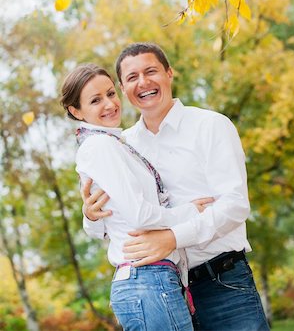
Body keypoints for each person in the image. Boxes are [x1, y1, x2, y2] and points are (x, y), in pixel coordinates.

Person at [82, 43, 270, 331]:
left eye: (151, 71)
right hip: (162, 288)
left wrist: (173, 237)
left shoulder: (211, 126)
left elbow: (234, 205)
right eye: (132, 77)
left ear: (169, 73)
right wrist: (91, 216)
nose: (143, 82)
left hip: (223, 283)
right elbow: (108, 224)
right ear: (123, 87)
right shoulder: (122, 146)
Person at [60, 63, 214, 331]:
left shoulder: (116, 144)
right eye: (95, 100)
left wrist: (89, 215)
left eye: (110, 94)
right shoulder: (100, 146)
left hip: (152, 279)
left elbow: (102, 227)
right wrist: (191, 211)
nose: (109, 104)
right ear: (76, 111)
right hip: (147, 279)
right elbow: (140, 216)